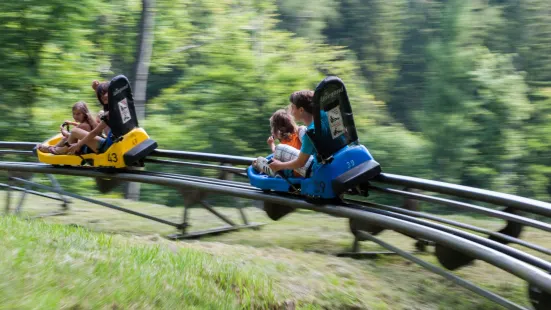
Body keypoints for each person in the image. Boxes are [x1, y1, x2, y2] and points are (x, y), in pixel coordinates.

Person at [267, 90, 335, 176]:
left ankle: (274, 173)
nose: (291, 111)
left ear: (301, 110)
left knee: (279, 148)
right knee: (301, 129)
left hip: (317, 168)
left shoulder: (310, 133)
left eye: (293, 107)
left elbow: (300, 163)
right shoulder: (325, 115)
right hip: (332, 157)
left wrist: (280, 166)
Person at [253, 109, 312, 177]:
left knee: (259, 161)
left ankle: (272, 172)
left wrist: (272, 144)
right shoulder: (298, 133)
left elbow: (279, 155)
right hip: (304, 165)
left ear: (277, 129)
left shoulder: (284, 144)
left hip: (294, 171)